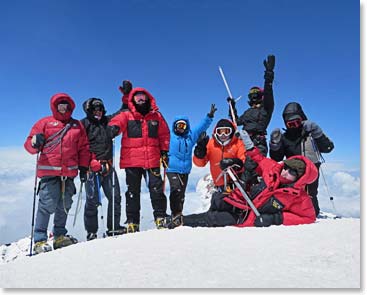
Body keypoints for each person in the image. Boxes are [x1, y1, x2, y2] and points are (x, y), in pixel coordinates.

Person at [162, 130, 318, 229]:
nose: (285, 173)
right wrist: (248, 145)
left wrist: (276, 218)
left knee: (214, 218)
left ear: (300, 179)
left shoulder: (298, 196)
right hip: (241, 203)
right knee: (218, 199)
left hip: (246, 217)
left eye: (292, 173)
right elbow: (258, 157)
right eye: (286, 167)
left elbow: (308, 217)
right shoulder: (273, 169)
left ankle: (180, 221)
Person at [24, 93, 90, 254]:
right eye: (60, 105)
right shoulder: (44, 123)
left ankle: (59, 235)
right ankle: (40, 239)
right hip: (49, 172)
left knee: (65, 205)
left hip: (69, 173)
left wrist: (83, 168)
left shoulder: (76, 125)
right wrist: (34, 142)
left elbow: (84, 148)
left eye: (66, 106)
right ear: (54, 106)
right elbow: (29, 144)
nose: (63, 108)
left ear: (70, 107)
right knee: (46, 204)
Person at [108, 87, 170, 232]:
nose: (141, 100)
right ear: (133, 100)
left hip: (152, 159)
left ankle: (160, 217)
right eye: (137, 98)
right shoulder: (127, 115)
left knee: (156, 189)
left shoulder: (156, 116)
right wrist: (113, 128)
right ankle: (132, 222)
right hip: (132, 161)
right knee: (132, 192)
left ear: (148, 98)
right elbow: (116, 122)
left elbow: (164, 135)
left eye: (143, 97)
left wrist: (165, 152)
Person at [269, 102, 334, 217]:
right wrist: (275, 144)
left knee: (311, 194)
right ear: (286, 124)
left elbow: (328, 148)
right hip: (293, 172)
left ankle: (313, 213)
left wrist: (317, 132)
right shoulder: (285, 138)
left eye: (297, 122)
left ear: (302, 119)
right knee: (294, 193)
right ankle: (293, 212)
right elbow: (276, 158)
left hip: (311, 170)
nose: (294, 126)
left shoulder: (310, 134)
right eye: (290, 124)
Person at [80, 98, 125, 240]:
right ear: (89, 111)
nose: (98, 112)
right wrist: (89, 162)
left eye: (100, 110)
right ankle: (91, 232)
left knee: (115, 197)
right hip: (91, 168)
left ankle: (113, 227)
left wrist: (126, 97)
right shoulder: (83, 124)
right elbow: (80, 146)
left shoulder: (107, 121)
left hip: (108, 166)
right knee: (92, 200)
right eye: (94, 110)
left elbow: (122, 112)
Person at [165, 104, 216, 224]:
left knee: (181, 193)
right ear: (175, 126)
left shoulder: (190, 137)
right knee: (175, 190)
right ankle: (175, 213)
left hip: (185, 170)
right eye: (179, 125)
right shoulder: (169, 137)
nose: (181, 128)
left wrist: (209, 116)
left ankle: (179, 215)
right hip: (172, 169)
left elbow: (200, 127)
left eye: (183, 125)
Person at [227, 54, 275, 156]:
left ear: (260, 96)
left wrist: (269, 76)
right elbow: (236, 121)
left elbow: (268, 92)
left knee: (254, 168)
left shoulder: (266, 108)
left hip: (258, 144)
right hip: (242, 142)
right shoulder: (247, 112)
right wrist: (232, 106)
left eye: (256, 94)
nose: (253, 97)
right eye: (251, 95)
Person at [193, 119, 246, 192]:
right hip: (218, 185)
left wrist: (235, 162)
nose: (223, 135)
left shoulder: (238, 143)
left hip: (234, 183)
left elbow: (244, 161)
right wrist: (199, 154)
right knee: (218, 201)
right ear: (216, 132)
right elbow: (200, 164)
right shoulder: (211, 144)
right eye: (220, 132)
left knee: (228, 200)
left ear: (232, 132)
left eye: (227, 131)